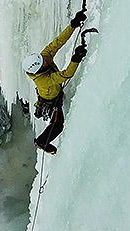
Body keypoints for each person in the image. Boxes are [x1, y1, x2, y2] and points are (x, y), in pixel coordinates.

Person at [21, 10, 88, 154]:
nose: (45, 58)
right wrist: (76, 59)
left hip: (53, 94)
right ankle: (41, 142)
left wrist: (73, 25)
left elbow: (58, 42)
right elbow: (65, 75)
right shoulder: (42, 80)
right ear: (38, 70)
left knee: (57, 124)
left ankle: (42, 140)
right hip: (51, 101)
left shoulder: (43, 57)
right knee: (58, 125)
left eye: (42, 57)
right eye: (43, 62)